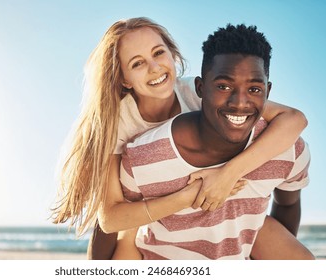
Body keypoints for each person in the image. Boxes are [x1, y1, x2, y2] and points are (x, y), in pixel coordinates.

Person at [51, 17, 309, 259]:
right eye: (137, 63)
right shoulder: (117, 122)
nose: (154, 68)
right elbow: (108, 219)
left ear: (172, 54)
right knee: (128, 237)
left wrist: (228, 174)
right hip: (143, 203)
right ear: (124, 79)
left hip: (209, 205)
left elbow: (295, 119)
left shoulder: (198, 92)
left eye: (158, 53)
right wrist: (190, 195)